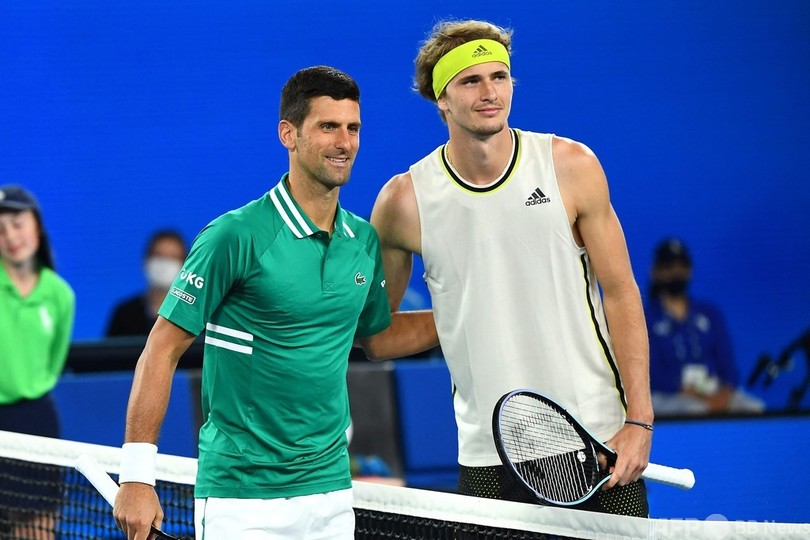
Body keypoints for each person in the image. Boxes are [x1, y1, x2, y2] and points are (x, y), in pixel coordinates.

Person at [112, 66, 437, 540]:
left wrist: (462, 318)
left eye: (353, 128)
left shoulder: (362, 240)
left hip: (330, 494)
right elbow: (160, 350)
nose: (344, 142)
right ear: (289, 134)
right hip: (243, 501)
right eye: (328, 127)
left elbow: (378, 337)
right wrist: (137, 475)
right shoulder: (234, 236)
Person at [369, 20, 653, 517]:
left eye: (499, 77)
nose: (490, 93)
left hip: (598, 439)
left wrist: (640, 421)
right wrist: (466, 317)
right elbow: (378, 336)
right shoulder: (404, 202)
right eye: (470, 81)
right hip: (488, 456)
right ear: (441, 98)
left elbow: (622, 292)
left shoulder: (571, 166)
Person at [0, 184, 75, 540]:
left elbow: (53, 363)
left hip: (37, 423)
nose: (11, 236)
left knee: (38, 530)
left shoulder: (60, 295)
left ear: (37, 227)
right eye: (0, 229)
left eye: (18, 223)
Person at [646, 237, 765, 416]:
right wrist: (695, 395)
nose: (677, 272)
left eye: (682, 265)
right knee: (696, 411)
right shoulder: (646, 318)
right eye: (669, 266)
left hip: (715, 392)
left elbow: (728, 366)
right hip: (670, 395)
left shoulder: (710, 314)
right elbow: (651, 373)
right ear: (656, 272)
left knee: (754, 409)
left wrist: (723, 394)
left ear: (690, 270)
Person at [106, 230, 187, 338]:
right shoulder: (124, 313)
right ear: (146, 260)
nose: (164, 265)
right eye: (158, 256)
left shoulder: (191, 317)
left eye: (172, 257)